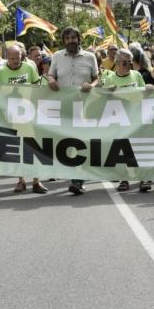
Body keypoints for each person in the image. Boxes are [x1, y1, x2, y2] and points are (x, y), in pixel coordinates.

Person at [46, 27, 99, 195]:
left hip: (83, 106)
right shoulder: (57, 56)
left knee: (81, 141)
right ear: (64, 41)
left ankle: (78, 180)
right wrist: (52, 80)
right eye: (67, 38)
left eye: (73, 38)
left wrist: (91, 85)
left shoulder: (90, 57)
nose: (70, 41)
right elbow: (50, 75)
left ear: (79, 39)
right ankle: (70, 173)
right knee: (64, 140)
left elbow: (97, 78)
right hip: (63, 106)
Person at [0, 45, 47, 194]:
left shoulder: (29, 68)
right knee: (18, 149)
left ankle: (37, 181)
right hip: (12, 117)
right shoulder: (1, 73)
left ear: (21, 56)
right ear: (7, 57)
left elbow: (37, 88)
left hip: (30, 115)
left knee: (34, 148)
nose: (14, 61)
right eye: (11, 58)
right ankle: (21, 181)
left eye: (17, 58)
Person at [97, 51, 151, 192]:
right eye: (124, 62)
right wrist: (108, 92)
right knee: (123, 149)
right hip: (119, 119)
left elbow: (144, 93)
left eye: (130, 62)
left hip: (136, 118)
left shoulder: (137, 75)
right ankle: (124, 179)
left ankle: (143, 178)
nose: (128, 65)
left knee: (139, 149)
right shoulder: (110, 79)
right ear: (117, 62)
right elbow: (103, 99)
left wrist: (148, 89)